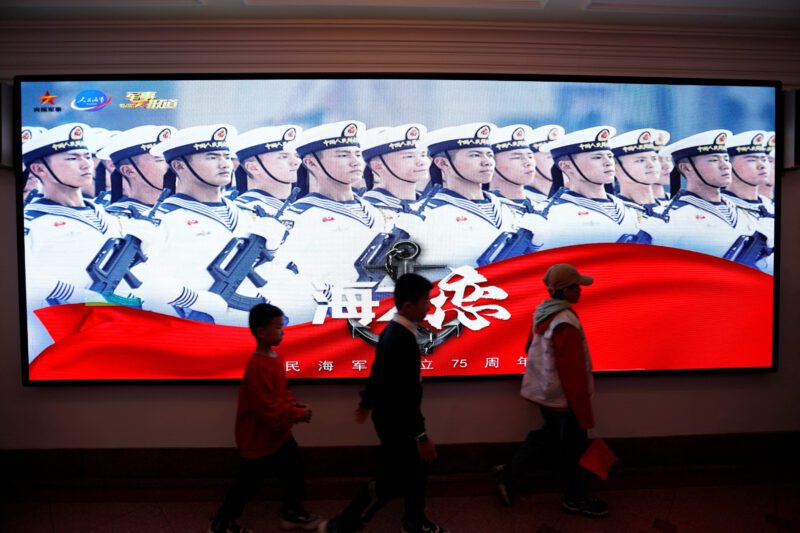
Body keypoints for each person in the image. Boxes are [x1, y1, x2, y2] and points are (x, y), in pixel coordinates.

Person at [320, 273, 447, 533]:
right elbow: (407, 393)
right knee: (390, 481)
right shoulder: (401, 338)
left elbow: (379, 371)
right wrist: (422, 436)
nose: (429, 307)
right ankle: (342, 525)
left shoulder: (394, 332)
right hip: (397, 420)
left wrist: (367, 403)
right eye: (425, 301)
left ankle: (413, 522)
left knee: (414, 472)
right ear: (409, 306)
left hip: (390, 417)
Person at [494, 263, 608, 519]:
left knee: (548, 436)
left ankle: (509, 473)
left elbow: (528, 347)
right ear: (566, 291)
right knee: (573, 450)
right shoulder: (565, 321)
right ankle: (574, 499)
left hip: (545, 394)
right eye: (576, 287)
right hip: (563, 400)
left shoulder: (543, 312)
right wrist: (583, 412)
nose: (580, 291)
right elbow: (573, 373)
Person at [209, 303, 321, 533]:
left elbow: (282, 393)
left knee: (294, 470)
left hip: (277, 437)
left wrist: (295, 407)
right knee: (246, 485)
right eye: (279, 327)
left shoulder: (273, 357)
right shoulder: (258, 365)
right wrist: (297, 414)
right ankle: (221, 523)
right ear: (261, 332)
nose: (283, 331)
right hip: (258, 440)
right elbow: (268, 410)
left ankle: (292, 512)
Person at [22, 122, 126, 361]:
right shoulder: (31, 224)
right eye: (72, 158)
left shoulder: (113, 219)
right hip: (55, 342)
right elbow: (26, 281)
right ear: (39, 169)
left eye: (87, 156)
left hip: (115, 335)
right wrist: (79, 296)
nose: (85, 164)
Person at [656, 130, 768, 266]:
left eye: (726, 159)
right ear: (686, 168)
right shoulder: (670, 216)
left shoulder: (743, 211)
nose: (725, 166)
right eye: (714, 160)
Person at [535, 126, 644, 250]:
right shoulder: (553, 214)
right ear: (566, 166)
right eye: (597, 157)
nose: (608, 162)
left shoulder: (632, 211)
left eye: (609, 156)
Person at [360, 124, 430, 231]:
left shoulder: (432, 206)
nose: (421, 162)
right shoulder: (367, 210)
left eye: (423, 155)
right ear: (378, 166)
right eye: (409, 156)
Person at [723, 130, 775, 273]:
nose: (762, 165)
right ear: (728, 165)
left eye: (764, 159)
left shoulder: (770, 207)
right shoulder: (718, 208)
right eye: (752, 160)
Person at [99, 124, 175, 217]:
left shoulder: (181, 212)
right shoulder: (114, 219)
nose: (171, 166)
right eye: (160, 160)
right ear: (128, 171)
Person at [232, 125, 303, 216]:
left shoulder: (303, 209)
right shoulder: (241, 211)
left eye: (297, 156)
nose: (296, 162)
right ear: (253, 167)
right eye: (283, 157)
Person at [488, 124, 540, 227]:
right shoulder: (487, 210)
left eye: (530, 156)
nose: (528, 162)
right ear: (491, 163)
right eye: (517, 157)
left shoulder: (541, 206)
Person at [526, 124, 565, 205]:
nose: (561, 163)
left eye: (562, 157)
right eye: (551, 157)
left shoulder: (567, 199)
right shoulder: (523, 201)